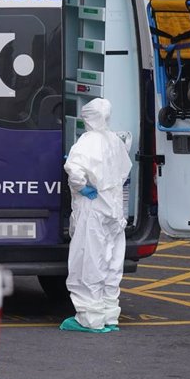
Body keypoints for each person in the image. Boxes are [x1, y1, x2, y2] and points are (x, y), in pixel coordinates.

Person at [60, 98, 132, 333]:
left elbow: (75, 171)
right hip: (113, 210)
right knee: (111, 264)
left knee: (88, 262)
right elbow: (124, 170)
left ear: (88, 118)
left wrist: (81, 187)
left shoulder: (87, 141)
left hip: (93, 209)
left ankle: (89, 319)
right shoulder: (115, 140)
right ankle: (110, 316)